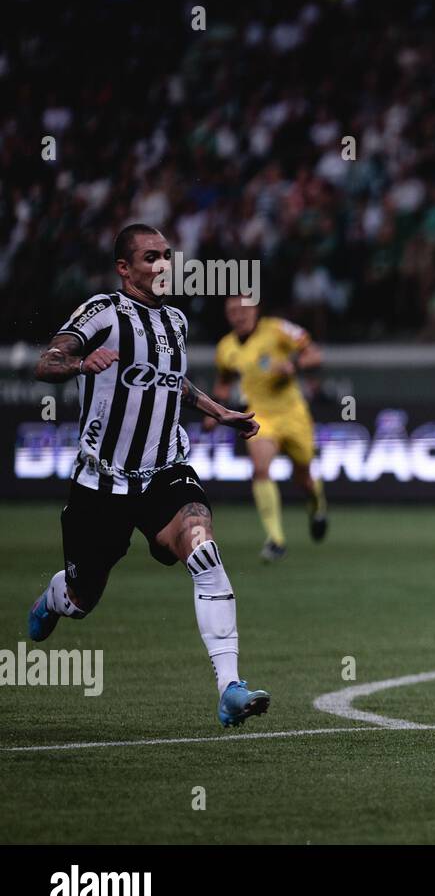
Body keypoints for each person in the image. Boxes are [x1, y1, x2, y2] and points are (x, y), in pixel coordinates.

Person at [27, 224, 271, 728]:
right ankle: (56, 597)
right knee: (82, 598)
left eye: (167, 256)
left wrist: (217, 410)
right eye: (150, 257)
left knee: (203, 548)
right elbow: (46, 362)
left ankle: (230, 688)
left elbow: (171, 381)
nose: (163, 265)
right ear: (124, 268)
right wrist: (77, 363)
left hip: (165, 470)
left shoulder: (176, 322)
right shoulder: (102, 312)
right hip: (102, 482)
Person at [211, 295, 327, 562]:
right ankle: (276, 539)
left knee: (303, 477)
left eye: (243, 309)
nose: (238, 315)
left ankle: (316, 503)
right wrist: (214, 409)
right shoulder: (226, 347)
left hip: (293, 414)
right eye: (232, 310)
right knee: (260, 468)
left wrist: (294, 365)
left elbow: (315, 355)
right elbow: (224, 381)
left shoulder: (276, 329)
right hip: (259, 416)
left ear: (256, 310)